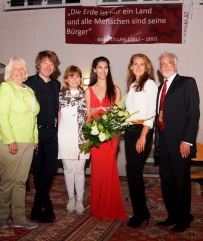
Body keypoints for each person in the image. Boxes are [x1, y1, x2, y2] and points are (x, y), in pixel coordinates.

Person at [155, 52, 200, 232]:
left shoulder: (187, 82)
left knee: (181, 182)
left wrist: (187, 141)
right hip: (164, 144)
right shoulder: (160, 88)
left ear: (176, 65)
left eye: (169, 63)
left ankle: (184, 218)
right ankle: (172, 215)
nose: (166, 66)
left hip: (181, 143)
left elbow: (193, 114)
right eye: (162, 64)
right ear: (159, 68)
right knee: (167, 182)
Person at [0, 57, 40, 229]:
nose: (19, 71)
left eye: (22, 68)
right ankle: (3, 216)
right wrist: (10, 140)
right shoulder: (6, 88)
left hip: (27, 143)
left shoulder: (29, 90)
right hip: (8, 141)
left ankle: (19, 217)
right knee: (8, 180)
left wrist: (34, 139)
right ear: (9, 72)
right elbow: (2, 117)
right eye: (16, 69)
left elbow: (33, 117)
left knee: (21, 181)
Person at [85, 56, 127, 220]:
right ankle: (98, 206)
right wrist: (88, 136)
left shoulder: (115, 89)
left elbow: (118, 115)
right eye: (100, 67)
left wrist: (111, 126)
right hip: (95, 136)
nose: (103, 71)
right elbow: (87, 116)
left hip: (110, 136)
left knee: (109, 169)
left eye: (106, 67)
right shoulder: (88, 90)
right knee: (97, 170)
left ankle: (110, 207)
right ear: (94, 70)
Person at [25, 50, 61, 223]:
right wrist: (31, 136)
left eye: (51, 64)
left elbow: (57, 110)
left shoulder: (57, 85)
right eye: (45, 63)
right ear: (38, 64)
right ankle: (45, 207)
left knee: (49, 171)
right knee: (38, 173)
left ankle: (36, 209)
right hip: (35, 133)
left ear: (54, 67)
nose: (48, 66)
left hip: (52, 134)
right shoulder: (29, 83)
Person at [124, 53, 158, 227]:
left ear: (147, 67)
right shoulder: (132, 85)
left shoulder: (150, 84)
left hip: (141, 130)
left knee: (133, 170)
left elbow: (151, 112)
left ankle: (141, 213)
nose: (138, 67)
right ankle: (141, 211)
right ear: (131, 67)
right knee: (131, 170)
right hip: (130, 129)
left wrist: (143, 135)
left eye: (142, 64)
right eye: (135, 64)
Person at [58, 65, 90, 215]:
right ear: (66, 79)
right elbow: (58, 118)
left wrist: (89, 136)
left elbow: (89, 117)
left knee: (79, 170)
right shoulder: (60, 96)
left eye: (77, 76)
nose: (75, 79)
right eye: (71, 76)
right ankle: (71, 198)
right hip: (64, 137)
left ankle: (79, 200)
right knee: (68, 169)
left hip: (81, 137)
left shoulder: (86, 95)